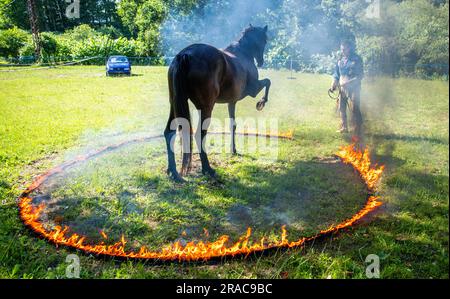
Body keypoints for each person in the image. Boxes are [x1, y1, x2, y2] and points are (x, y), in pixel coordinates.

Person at [329, 39, 364, 136]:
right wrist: (333, 84)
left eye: (344, 49)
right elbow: (336, 74)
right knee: (341, 107)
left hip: (354, 88)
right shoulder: (340, 60)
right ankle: (344, 127)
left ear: (350, 48)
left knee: (354, 108)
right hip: (342, 89)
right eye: (342, 49)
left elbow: (360, 75)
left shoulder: (356, 59)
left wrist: (348, 83)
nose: (343, 51)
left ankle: (358, 128)